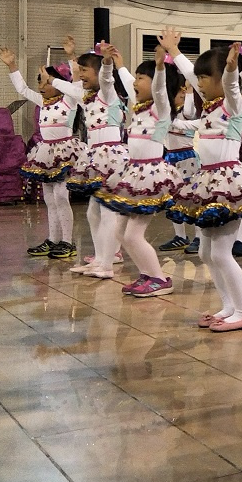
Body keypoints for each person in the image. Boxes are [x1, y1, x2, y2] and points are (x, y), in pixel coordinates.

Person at [167, 39, 242, 331]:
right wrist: (175, 53)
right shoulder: (210, 108)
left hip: (227, 182)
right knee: (205, 253)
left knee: (220, 253)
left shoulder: (234, 104)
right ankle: (229, 306)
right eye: (198, 77)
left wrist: (229, 70)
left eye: (204, 77)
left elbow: (231, 86)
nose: (198, 82)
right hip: (206, 180)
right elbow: (197, 118)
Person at [92, 43, 184, 294]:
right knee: (121, 232)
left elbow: (160, 90)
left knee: (132, 235)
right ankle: (146, 274)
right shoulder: (140, 107)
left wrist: (159, 68)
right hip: (133, 174)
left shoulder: (160, 109)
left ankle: (159, 279)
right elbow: (130, 82)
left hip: (150, 178)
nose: (135, 82)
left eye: (141, 77)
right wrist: (119, 64)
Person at [0, 49, 79, 259]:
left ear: (59, 83)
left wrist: (72, 58)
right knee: (49, 198)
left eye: (46, 82)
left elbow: (76, 85)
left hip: (65, 152)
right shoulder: (43, 102)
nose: (41, 87)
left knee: (62, 196)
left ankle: (68, 242)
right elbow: (22, 89)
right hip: (45, 153)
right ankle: (52, 240)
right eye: (40, 83)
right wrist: (12, 66)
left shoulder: (69, 100)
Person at [65, 43, 131, 272]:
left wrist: (105, 62)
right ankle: (101, 258)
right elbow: (71, 87)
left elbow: (106, 78)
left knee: (107, 210)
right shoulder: (88, 98)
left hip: (111, 155)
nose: (81, 74)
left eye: (85, 70)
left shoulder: (108, 94)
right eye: (80, 70)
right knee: (93, 212)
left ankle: (109, 261)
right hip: (95, 155)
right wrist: (70, 60)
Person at [160, 74, 200, 252]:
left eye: (185, 95)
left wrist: (191, 90)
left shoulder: (186, 114)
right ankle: (180, 236)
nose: (183, 98)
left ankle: (199, 236)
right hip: (170, 157)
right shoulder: (167, 113)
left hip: (187, 158)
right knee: (173, 199)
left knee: (192, 198)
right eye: (180, 94)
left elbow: (190, 109)